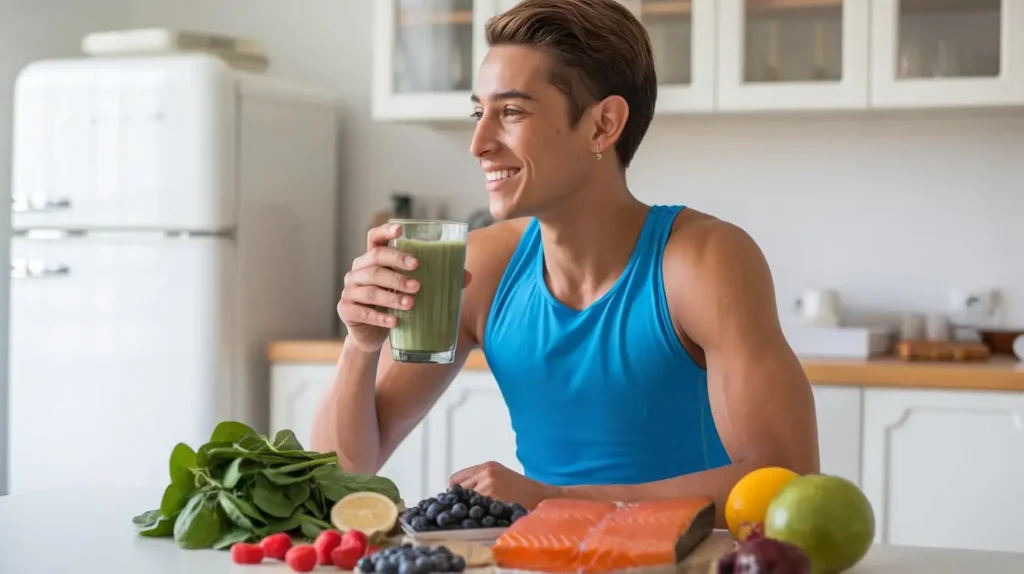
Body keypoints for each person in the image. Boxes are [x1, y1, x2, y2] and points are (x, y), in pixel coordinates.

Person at [311, 0, 819, 527]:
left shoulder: (704, 260)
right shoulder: (482, 268)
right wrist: (361, 344)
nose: (479, 144)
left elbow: (787, 480)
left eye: (511, 112)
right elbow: (341, 478)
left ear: (603, 125)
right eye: (477, 112)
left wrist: (555, 499)